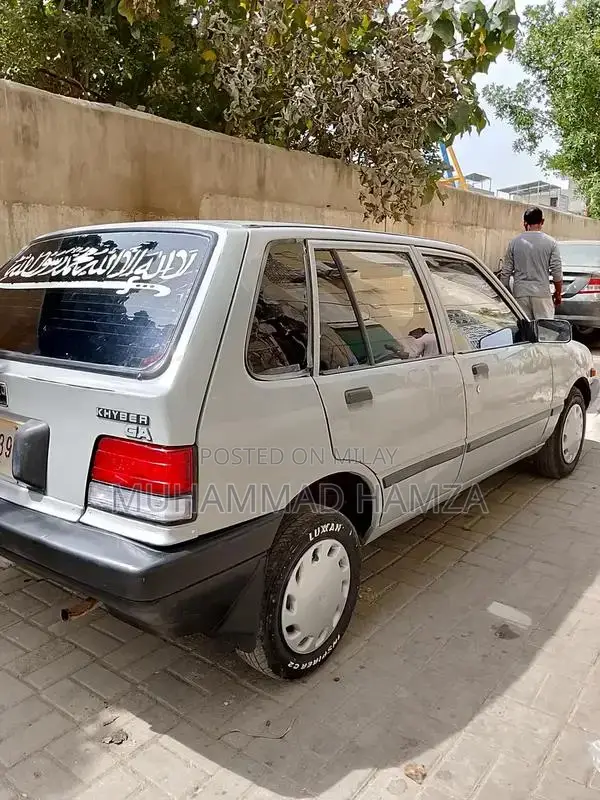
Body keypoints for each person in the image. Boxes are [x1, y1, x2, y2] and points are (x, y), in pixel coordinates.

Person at [500, 206, 563, 319]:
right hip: (542, 294)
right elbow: (556, 273)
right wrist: (558, 294)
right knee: (543, 331)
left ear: (525, 223)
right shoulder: (551, 243)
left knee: (524, 331)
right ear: (542, 221)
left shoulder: (514, 242)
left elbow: (505, 272)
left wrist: (507, 293)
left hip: (520, 294)